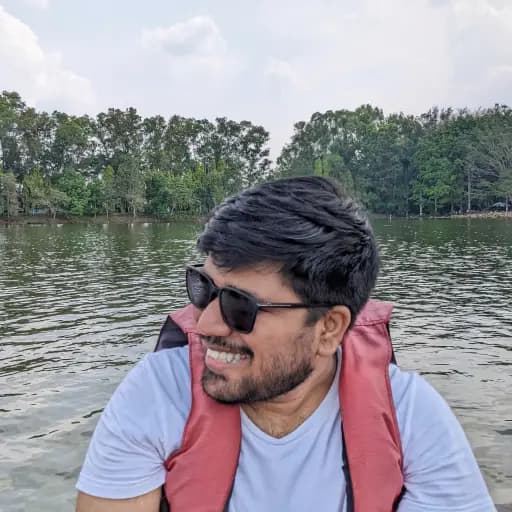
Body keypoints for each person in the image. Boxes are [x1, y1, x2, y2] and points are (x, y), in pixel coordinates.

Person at [76, 176, 496, 512]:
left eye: (241, 306)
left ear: (329, 328)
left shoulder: (410, 417)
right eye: (203, 289)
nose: (205, 324)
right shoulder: (157, 394)